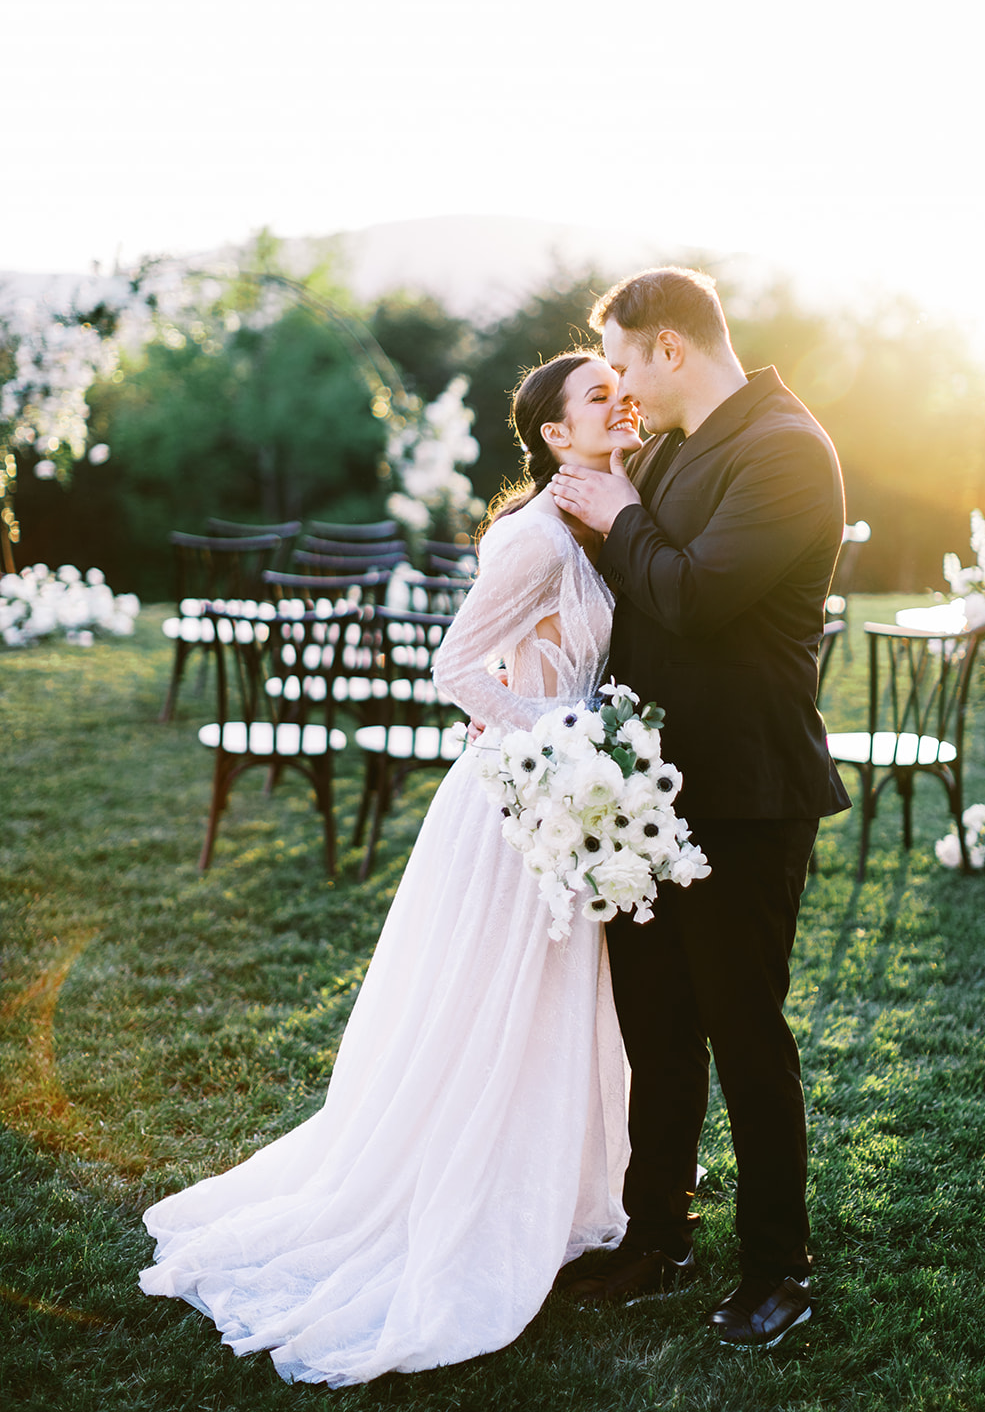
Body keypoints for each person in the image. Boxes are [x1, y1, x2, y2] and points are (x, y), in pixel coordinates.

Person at [138, 351, 643, 1386]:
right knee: (494, 1009)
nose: (617, 398)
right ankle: (465, 1200)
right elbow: (453, 667)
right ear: (554, 435)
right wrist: (563, 738)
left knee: (551, 1006)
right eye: (597, 393)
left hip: (556, 794)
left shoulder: (590, 520)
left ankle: (545, 1191)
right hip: (520, 797)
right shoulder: (532, 537)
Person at [549, 267, 850, 1350]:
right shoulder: (669, 445)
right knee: (656, 1024)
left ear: (668, 348)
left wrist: (621, 512)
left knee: (741, 1028)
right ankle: (654, 1235)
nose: (618, 385)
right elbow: (634, 590)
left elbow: (688, 592)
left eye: (624, 362)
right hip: (645, 790)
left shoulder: (784, 448)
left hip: (747, 790)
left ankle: (778, 1264)